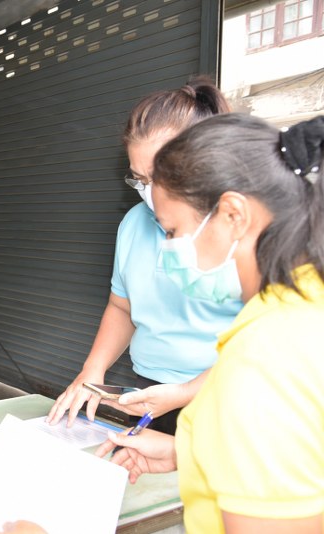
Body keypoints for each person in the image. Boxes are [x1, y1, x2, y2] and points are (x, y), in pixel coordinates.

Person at [96, 113, 324, 533]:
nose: (167, 249)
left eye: (172, 230)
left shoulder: (264, 361)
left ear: (233, 215)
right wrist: (188, 452)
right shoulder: (302, 307)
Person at [47, 78, 242, 434]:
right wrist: (92, 370)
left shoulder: (246, 232)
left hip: (228, 395)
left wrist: (184, 393)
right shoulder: (134, 223)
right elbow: (122, 307)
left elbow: (270, 344)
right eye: (140, 179)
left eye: (161, 178)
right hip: (150, 392)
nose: (151, 194)